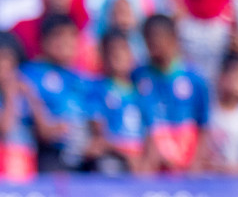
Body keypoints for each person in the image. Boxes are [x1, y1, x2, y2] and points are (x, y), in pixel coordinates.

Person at [134, 13, 211, 173]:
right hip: (152, 166)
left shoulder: (195, 78)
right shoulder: (138, 76)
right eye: (149, 37)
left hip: (186, 166)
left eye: (159, 36)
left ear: (173, 37)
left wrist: (196, 162)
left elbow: (203, 124)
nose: (154, 42)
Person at [22, 14, 93, 173]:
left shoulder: (83, 79)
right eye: (58, 36)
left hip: (84, 152)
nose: (66, 42)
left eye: (71, 36)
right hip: (49, 153)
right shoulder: (29, 75)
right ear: (43, 41)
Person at [86, 31, 151, 175]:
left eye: (122, 49)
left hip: (141, 158)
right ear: (103, 56)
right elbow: (100, 137)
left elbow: (151, 131)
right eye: (111, 51)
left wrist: (146, 161)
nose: (117, 55)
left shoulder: (142, 91)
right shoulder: (97, 90)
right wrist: (128, 155)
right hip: (116, 157)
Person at [0, 38, 43, 182]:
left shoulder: (24, 90)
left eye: (6, 62)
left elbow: (43, 128)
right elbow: (4, 127)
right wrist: (9, 95)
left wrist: (31, 95)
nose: (1, 67)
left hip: (26, 157)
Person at [207, 54, 238, 174]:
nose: (236, 80)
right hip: (203, 186)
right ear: (221, 76)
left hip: (235, 188)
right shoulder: (206, 112)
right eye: (233, 73)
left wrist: (224, 169)